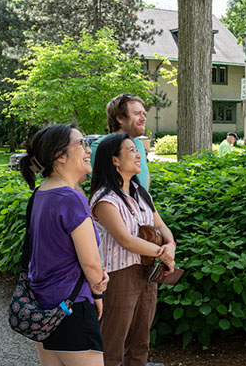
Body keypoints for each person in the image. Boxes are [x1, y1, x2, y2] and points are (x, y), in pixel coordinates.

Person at [18, 124, 109, 366]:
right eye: (81, 144)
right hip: (71, 308)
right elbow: (91, 262)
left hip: (43, 309)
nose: (88, 150)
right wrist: (98, 291)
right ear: (59, 156)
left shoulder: (40, 194)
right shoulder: (70, 198)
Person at [89, 134, 176, 366]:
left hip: (147, 274)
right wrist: (161, 252)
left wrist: (171, 246)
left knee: (141, 340)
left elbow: (160, 225)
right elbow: (125, 239)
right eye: (131, 150)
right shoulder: (104, 199)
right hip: (120, 276)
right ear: (115, 160)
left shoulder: (141, 193)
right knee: (112, 342)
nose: (139, 154)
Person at [90, 94, 150, 190]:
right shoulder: (101, 146)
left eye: (144, 114)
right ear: (120, 118)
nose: (143, 118)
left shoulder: (138, 144)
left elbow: (145, 178)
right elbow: (75, 182)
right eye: (137, 113)